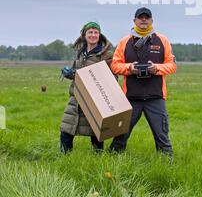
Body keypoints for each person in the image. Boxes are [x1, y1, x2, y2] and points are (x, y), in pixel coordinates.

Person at [109, 8, 176, 156]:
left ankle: (167, 165)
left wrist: (156, 68)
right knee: (120, 135)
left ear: (152, 21)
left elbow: (172, 66)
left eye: (147, 18)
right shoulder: (124, 42)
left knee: (162, 136)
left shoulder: (162, 40)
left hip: (155, 97)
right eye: (141, 18)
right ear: (134, 21)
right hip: (131, 97)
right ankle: (112, 161)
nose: (144, 20)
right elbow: (115, 65)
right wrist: (129, 68)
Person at [60, 21, 114, 153]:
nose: (93, 35)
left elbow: (112, 78)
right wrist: (69, 73)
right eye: (90, 32)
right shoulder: (80, 53)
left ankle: (98, 159)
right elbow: (76, 73)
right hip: (76, 97)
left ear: (99, 35)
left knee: (96, 132)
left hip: (95, 99)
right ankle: (64, 159)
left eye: (96, 32)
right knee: (66, 129)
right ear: (84, 35)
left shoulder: (106, 55)